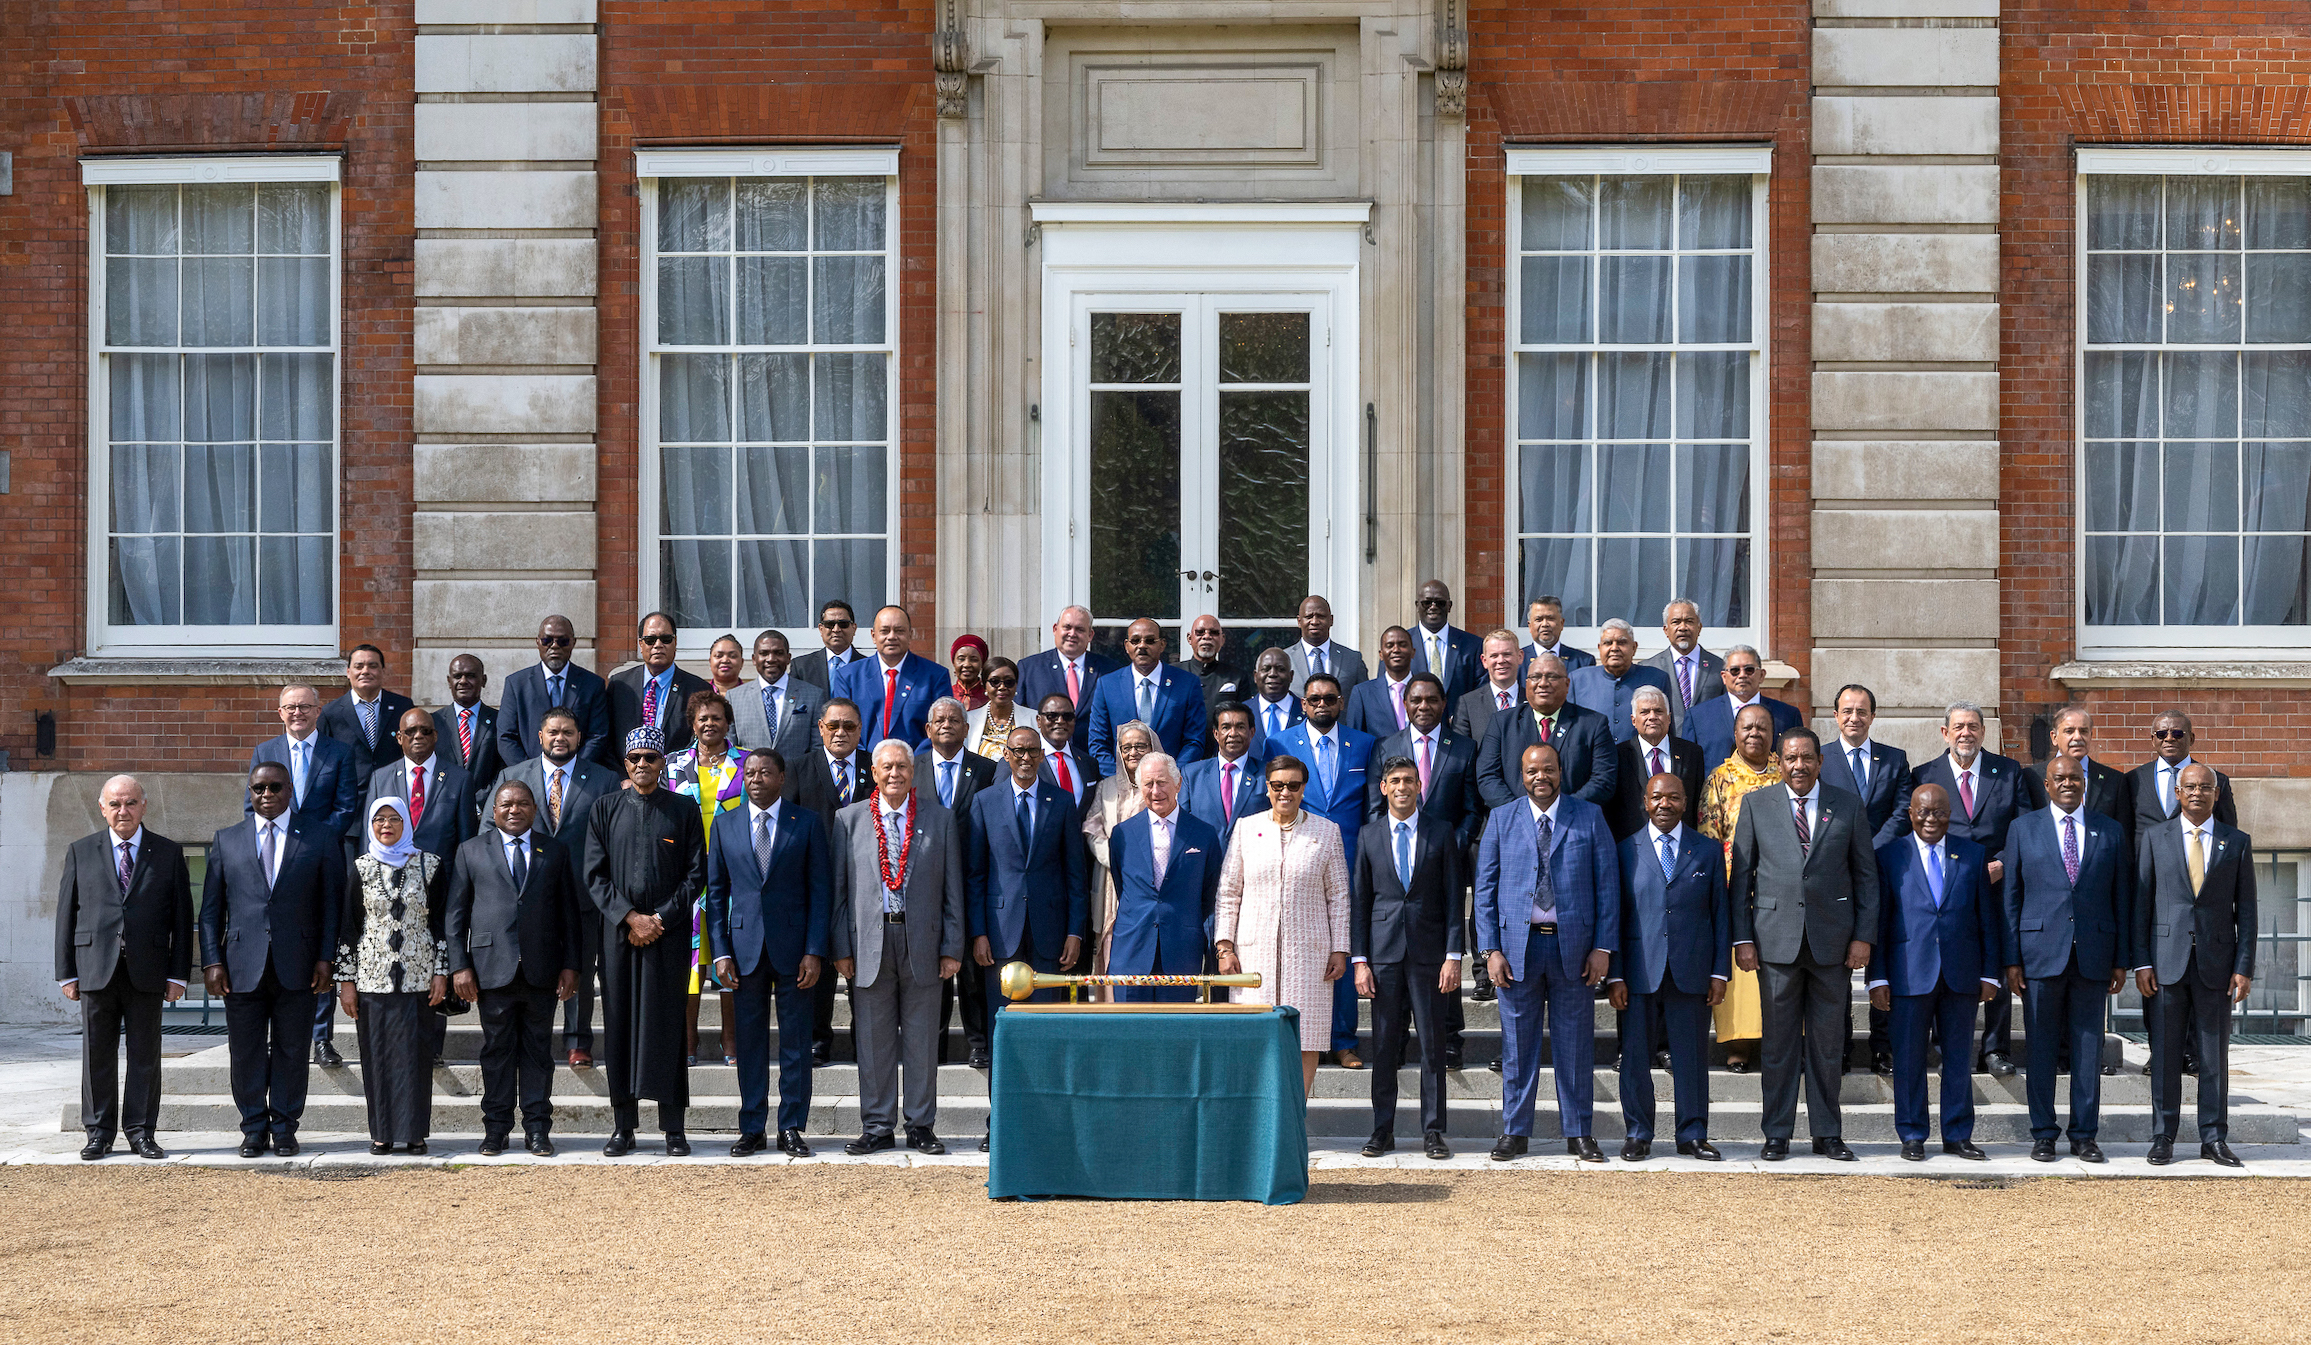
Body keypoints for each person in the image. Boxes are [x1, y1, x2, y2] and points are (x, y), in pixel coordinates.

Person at [1731, 727, 1879, 1162]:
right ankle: (1776, 1132)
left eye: (1807, 758)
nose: (1799, 766)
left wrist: (1863, 936)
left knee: (1827, 1045)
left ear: (1819, 761)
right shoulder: (1757, 805)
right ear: (1780, 761)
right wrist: (1743, 938)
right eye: (1791, 758)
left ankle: (1827, 1133)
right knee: (1777, 1046)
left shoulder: (1847, 804)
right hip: (1774, 943)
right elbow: (1742, 877)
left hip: (1832, 944)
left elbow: (1866, 877)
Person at [1475, 743, 1618, 1162]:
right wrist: (1490, 951)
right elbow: (1484, 891)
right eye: (1533, 770)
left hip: (1572, 949)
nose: (1542, 777)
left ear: (1561, 771)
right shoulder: (1502, 819)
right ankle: (1515, 1131)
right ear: (1522, 775)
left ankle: (1579, 1131)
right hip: (1517, 949)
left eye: (1549, 769)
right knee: (1518, 1045)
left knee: (1575, 1043)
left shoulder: (1589, 817)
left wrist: (1602, 948)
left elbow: (1607, 889)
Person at [201, 763, 343, 1158]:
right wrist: (212, 960)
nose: (266, 795)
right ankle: (252, 1128)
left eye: (275, 787)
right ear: (249, 792)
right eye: (258, 788)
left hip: (297, 964)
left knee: (292, 1050)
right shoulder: (226, 840)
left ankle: (284, 1128)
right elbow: (211, 911)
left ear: (289, 790)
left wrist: (326, 958)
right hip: (241, 967)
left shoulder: (318, 837)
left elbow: (331, 906)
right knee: (245, 1052)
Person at [831, 741, 966, 1155]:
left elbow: (952, 891)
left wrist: (952, 946)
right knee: (873, 1040)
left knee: (923, 1039)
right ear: (873, 772)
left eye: (903, 766)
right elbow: (838, 892)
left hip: (923, 942)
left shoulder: (939, 819)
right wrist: (841, 948)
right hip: (868, 944)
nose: (895, 773)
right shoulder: (848, 820)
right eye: (887, 766)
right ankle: (876, 1125)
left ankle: (921, 1125)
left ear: (914, 770)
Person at [583, 727, 707, 1157]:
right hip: (619, 937)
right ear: (625, 762)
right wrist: (630, 918)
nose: (641, 765)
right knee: (619, 1027)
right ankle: (624, 1126)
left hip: (668, 937)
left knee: (668, 1025)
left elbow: (696, 874)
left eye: (650, 758)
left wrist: (660, 919)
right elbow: (594, 875)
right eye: (634, 757)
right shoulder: (604, 809)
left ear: (662, 763)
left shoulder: (683, 809)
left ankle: (674, 1127)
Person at [55, 775, 192, 1161]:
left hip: (148, 971)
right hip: (95, 968)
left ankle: (141, 1132)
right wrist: (66, 972)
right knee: (97, 1054)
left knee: (145, 1054)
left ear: (144, 806)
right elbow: (66, 915)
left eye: (130, 803)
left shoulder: (166, 852)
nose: (123, 811)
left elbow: (182, 919)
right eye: (115, 804)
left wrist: (177, 974)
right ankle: (98, 1133)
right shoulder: (81, 851)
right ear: (103, 808)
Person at [445, 780, 583, 1158]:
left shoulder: (554, 851)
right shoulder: (471, 851)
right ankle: (496, 1129)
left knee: (539, 1052)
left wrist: (571, 965)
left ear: (535, 810)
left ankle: (538, 1129)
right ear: (494, 811)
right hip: (491, 970)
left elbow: (570, 915)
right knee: (497, 1051)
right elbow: (455, 916)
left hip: (542, 969)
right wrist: (460, 966)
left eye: (523, 804)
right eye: (506, 804)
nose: (514, 810)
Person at [706, 750, 833, 1159]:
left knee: (795, 1042)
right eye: (750, 772)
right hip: (742, 950)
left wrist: (815, 950)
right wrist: (720, 952)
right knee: (750, 1042)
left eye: (765, 773)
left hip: (795, 951)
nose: (756, 779)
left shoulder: (807, 822)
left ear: (782, 777)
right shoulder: (725, 825)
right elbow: (717, 893)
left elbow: (821, 893)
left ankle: (792, 1126)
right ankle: (752, 1127)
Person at [2004, 755, 2130, 1163]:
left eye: (2075, 778)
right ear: (2047, 783)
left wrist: (2121, 959)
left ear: (2085, 783)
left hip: (2094, 954)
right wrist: (2012, 959)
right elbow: (2012, 898)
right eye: (2060, 778)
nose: (2068, 784)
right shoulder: (2023, 829)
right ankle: (2043, 1132)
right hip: (2040, 955)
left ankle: (2084, 1135)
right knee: (2040, 1047)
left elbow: (2121, 898)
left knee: (2088, 1049)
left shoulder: (2109, 831)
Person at [1865, 785, 1999, 1162]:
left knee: (1958, 1059)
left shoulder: (1972, 855)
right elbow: (1881, 921)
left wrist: (1990, 973)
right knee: (1908, 1060)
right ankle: (1912, 1134)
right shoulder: (1889, 856)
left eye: (1938, 812)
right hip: (1908, 973)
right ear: (1910, 814)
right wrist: (1878, 977)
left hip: (1961, 974)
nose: (1930, 819)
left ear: (1950, 813)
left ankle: (1958, 1135)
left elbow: (1986, 919)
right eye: (1923, 812)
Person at [1913, 700, 2044, 1077]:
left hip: (1997, 884)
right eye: (1958, 727)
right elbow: (1920, 831)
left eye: (1972, 726)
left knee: (1998, 967)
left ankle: (1995, 1049)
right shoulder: (1924, 774)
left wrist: (2002, 862)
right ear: (1945, 733)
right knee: (1946, 963)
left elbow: (2024, 828)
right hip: (1947, 888)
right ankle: (1945, 1048)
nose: (1965, 733)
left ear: (1983, 732)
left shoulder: (2009, 772)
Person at [2135, 762, 2256, 1168]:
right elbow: (2142, 906)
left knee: (2212, 1057)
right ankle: (2162, 1136)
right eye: (2190, 787)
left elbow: (2249, 912)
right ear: (2177, 793)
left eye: (2206, 787)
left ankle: (2213, 1138)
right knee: (2166, 1055)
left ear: (2216, 794)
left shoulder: (2236, 842)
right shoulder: (2155, 838)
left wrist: (2244, 967)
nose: (2198, 793)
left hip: (2217, 965)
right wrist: (2141, 962)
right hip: (2165, 963)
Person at [1608, 773, 1729, 1161]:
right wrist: (1615, 974)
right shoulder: (1625, 850)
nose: (1664, 804)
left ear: (1685, 801)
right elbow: (1617, 916)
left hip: (1691, 970)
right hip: (1639, 972)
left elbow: (1720, 917)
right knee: (1636, 1057)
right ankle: (1638, 1133)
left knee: (1691, 1057)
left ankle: (1692, 1133)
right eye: (1657, 798)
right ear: (1645, 802)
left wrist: (1719, 972)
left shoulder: (1708, 852)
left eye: (1673, 798)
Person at [1215, 754, 1351, 1098]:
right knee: (1254, 1033)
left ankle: (1296, 1117)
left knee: (1307, 1034)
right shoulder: (1247, 828)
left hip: (1310, 953)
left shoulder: (1327, 831)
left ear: (1304, 788)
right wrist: (1224, 945)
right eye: (1278, 785)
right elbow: (1229, 890)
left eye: (1293, 785)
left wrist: (1340, 947)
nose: (1285, 792)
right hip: (1252, 952)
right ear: (1267, 788)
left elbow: (1338, 895)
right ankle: (1257, 1115)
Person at [1367, 673, 1482, 1070]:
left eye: (1431, 700)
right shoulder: (1386, 747)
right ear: (1406, 704)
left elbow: (1472, 807)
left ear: (1443, 703)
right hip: (1397, 864)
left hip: (1443, 862)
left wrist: (1451, 843)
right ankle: (1396, 1040)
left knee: (1441, 951)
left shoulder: (1464, 748)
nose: (1423, 707)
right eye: (1415, 700)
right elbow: (1374, 805)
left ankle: (1449, 1040)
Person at [492, 705, 616, 1068]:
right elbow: (490, 832)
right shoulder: (513, 775)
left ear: (579, 738)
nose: (560, 738)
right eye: (553, 732)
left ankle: (578, 1041)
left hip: (585, 893)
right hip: (530, 893)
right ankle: (536, 1037)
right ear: (541, 737)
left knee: (580, 965)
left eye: (568, 733)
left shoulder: (604, 780)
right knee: (534, 965)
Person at [1353, 755, 1464, 1160]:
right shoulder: (1368, 835)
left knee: (1433, 1047)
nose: (1402, 787)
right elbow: (1360, 901)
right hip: (1382, 956)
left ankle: (1433, 1131)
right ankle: (1382, 1129)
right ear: (1383, 787)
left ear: (1420, 787)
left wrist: (1454, 956)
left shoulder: (1441, 832)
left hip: (1429, 955)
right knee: (1383, 1046)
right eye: (1395, 780)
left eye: (1409, 781)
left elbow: (1454, 899)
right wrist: (1359, 960)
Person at [1269, 673, 1376, 1067]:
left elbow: (1368, 805)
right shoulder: (1279, 743)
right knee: (1305, 956)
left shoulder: (1363, 745)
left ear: (1341, 702)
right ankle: (1298, 1038)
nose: (1322, 705)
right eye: (1314, 698)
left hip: (1350, 860)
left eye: (1329, 698)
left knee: (1342, 950)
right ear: (1302, 703)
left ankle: (1344, 1040)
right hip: (1299, 860)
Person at [334, 797, 449, 1155]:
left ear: (407, 823)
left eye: (394, 819)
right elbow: (348, 928)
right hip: (373, 980)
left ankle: (415, 1133)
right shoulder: (361, 867)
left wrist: (441, 972)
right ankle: (382, 1132)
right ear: (370, 825)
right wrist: (346, 983)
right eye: (379, 819)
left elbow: (442, 923)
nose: (386, 826)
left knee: (416, 1057)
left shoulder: (430, 865)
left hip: (418, 978)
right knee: (378, 1057)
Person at [1817, 682, 1914, 1077]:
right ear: (1835, 715)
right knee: (1836, 964)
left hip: (1883, 872)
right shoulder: (1819, 757)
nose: (1854, 718)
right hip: (1833, 876)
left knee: (1883, 961)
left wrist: (1870, 849)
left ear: (1873, 716)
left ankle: (1882, 1048)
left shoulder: (1894, 759)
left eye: (1862, 711)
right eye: (1847, 711)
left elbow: (1903, 808)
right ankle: (1838, 1047)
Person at [967, 725, 1088, 1031]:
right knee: (1003, 1021)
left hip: (1050, 931)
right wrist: (978, 932)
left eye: (1033, 750)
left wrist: (1075, 932)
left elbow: (1075, 874)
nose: (1026, 757)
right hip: (999, 931)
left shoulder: (1061, 802)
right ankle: (1003, 1082)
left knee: (1046, 1023)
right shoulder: (985, 801)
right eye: (1018, 750)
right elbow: (976, 874)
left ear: (1042, 755)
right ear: (1006, 755)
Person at [1698, 703, 1782, 1073]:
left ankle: (1778, 1039)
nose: (1754, 734)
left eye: (1762, 728)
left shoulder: (1788, 772)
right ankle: (1738, 1043)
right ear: (1735, 734)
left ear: (1773, 733)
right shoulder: (1720, 778)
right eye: (1747, 728)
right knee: (1740, 973)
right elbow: (1708, 835)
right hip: (1735, 887)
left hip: (1782, 887)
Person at [790, 697, 874, 1066]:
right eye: (834, 726)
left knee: (866, 964)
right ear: (820, 728)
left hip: (868, 882)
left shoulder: (876, 767)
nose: (841, 732)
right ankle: (817, 1039)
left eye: (850, 726)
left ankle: (866, 1041)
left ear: (860, 730)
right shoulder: (797, 768)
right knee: (818, 961)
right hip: (814, 882)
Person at [666, 691, 746, 1068]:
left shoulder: (748, 764)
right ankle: (688, 1038)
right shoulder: (671, 766)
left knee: (731, 955)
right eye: (702, 718)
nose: (709, 723)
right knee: (690, 958)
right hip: (687, 874)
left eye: (716, 717)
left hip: (735, 874)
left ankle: (731, 1039)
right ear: (692, 724)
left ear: (728, 722)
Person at [1107, 752, 1224, 1005]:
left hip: (1181, 950)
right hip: (1131, 950)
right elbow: (1123, 886)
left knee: (1175, 1033)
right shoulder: (1122, 834)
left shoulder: (1203, 834)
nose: (1156, 790)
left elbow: (1208, 892)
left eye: (1162, 782)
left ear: (1178, 783)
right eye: (1148, 784)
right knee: (1128, 1033)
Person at [921, 696, 998, 1067]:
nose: (947, 724)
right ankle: (931, 1047)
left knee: (971, 970)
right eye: (939, 720)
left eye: (955, 719)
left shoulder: (987, 769)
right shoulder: (912, 768)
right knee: (930, 972)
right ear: (928, 729)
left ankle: (978, 1043)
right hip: (923, 884)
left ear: (967, 729)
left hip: (971, 880)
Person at [1474, 653, 1616, 810]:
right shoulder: (1502, 723)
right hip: (1516, 824)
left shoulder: (1593, 724)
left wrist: (1562, 811)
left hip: (1574, 823)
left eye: (1552, 677)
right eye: (1535, 677)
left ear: (1567, 684)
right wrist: (1521, 813)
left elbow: (1603, 780)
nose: (1543, 683)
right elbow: (1488, 777)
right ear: (1526, 683)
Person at [1081, 721, 1154, 979]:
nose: (1132, 752)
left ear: (1152, 748)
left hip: (1149, 880)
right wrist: (1113, 857)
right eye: (1126, 747)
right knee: (1110, 947)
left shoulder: (1160, 785)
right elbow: (1092, 827)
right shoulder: (1107, 786)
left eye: (1139, 746)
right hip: (1111, 880)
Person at [1088, 618, 1208, 773]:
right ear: (1127, 646)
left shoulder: (1187, 684)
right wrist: (1119, 781)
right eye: (1135, 640)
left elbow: (1194, 741)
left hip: (1170, 787)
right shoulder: (1107, 685)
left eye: (1150, 640)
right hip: (1121, 789)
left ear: (1162, 645)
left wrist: (1171, 778)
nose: (1142, 646)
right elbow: (1098, 743)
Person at [320, 644, 418, 833]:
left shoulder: (403, 707)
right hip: (348, 814)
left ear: (382, 671)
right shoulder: (331, 714)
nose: (365, 671)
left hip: (394, 810)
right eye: (359, 666)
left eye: (372, 666)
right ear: (348, 672)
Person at [834, 604, 955, 753]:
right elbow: (841, 726)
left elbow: (942, 728)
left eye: (899, 631)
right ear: (873, 636)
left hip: (915, 768)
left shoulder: (935, 676)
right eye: (885, 631)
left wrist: (912, 762)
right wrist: (865, 762)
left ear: (910, 634)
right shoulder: (848, 676)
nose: (891, 636)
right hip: (863, 768)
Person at [497, 614, 612, 767]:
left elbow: (598, 735)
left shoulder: (592, 684)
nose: (555, 646)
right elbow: (506, 737)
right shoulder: (517, 684)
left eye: (563, 641)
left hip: (578, 779)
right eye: (547, 640)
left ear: (573, 643)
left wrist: (573, 770)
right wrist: (530, 773)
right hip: (529, 781)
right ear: (537, 642)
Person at [249, 683, 358, 842]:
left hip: (324, 848)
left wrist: (315, 839)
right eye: (290, 707)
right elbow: (252, 805)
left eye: (304, 707)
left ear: (317, 711)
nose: (297, 713)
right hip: (277, 845)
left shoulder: (340, 753)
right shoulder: (264, 752)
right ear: (281, 713)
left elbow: (345, 808)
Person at [373, 707, 478, 862]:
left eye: (425, 731)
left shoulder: (460, 779)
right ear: (399, 737)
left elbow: (466, 841)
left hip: (441, 878)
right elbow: (371, 834)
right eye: (410, 731)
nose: (418, 736)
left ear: (435, 736)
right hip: (392, 875)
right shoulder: (380, 778)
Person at [1604, 686, 1703, 843]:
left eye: (1658, 711)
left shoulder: (1692, 753)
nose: (1652, 717)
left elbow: (1696, 801)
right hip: (1633, 848)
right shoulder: (1618, 755)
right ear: (1633, 720)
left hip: (1684, 846)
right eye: (1645, 712)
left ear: (1669, 718)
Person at [1015, 605, 1122, 750]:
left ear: (1090, 635)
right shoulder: (1029, 668)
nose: (1072, 634)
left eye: (1080, 629)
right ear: (1055, 629)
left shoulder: (1110, 670)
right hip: (1043, 762)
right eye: (1067, 627)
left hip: (1093, 763)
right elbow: (1019, 717)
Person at [1683, 646, 1802, 774]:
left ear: (1762, 675)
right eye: (1735, 671)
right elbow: (1688, 769)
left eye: (1749, 670)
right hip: (1716, 792)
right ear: (1724, 677)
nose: (1742, 675)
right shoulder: (1698, 716)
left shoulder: (1788, 715)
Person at [610, 612, 713, 757]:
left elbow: (700, 743)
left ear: (675, 643)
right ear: (640, 644)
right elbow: (607, 741)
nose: (658, 645)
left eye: (666, 639)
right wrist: (622, 778)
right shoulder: (619, 685)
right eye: (650, 640)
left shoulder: (697, 689)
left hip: (677, 776)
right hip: (627, 776)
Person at [2128, 709, 2238, 836]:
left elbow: (2229, 833)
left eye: (2177, 734)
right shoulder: (2133, 779)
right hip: (2146, 855)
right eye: (2161, 734)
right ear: (2153, 740)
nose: (2169, 738)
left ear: (2191, 738)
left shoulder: (2217, 780)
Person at [1568, 619, 1673, 744]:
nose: (1614, 648)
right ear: (1599, 648)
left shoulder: (1656, 678)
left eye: (1622, 642)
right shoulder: (1578, 680)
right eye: (1608, 643)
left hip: (1638, 761)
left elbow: (1667, 728)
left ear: (1634, 648)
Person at [729, 628, 827, 761]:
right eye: (764, 653)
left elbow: (818, 748)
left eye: (778, 653)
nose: (771, 659)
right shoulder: (734, 698)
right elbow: (730, 748)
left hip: (797, 778)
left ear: (788, 658)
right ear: (754, 659)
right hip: (751, 779)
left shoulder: (813, 696)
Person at [1182, 702, 1265, 854]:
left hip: (1252, 863)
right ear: (1215, 733)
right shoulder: (1191, 774)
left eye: (1240, 727)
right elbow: (1183, 824)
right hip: (1205, 866)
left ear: (1252, 732)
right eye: (1226, 727)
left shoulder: (1266, 775)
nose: (1233, 734)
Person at [2050, 706, 2132, 850]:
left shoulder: (2114, 780)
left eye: (2083, 731)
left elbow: (2123, 838)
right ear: (2054, 737)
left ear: (2091, 736)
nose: (2077, 737)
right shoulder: (2033, 777)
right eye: (2069, 731)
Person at [434, 653, 501, 824]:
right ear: (449, 681)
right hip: (441, 814)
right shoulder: (433, 722)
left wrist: (478, 802)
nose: (463, 681)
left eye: (471, 675)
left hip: (485, 816)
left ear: (483, 680)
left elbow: (505, 769)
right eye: (457, 676)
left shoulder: (500, 721)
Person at [1641, 598, 1723, 734]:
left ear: (1699, 628)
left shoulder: (1719, 667)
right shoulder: (1648, 668)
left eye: (1689, 621)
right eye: (1676, 622)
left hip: (1707, 748)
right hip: (1666, 748)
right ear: (1666, 630)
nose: (1683, 627)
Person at [1410, 579, 1485, 704]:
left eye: (1440, 603)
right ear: (1417, 605)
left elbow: (1481, 691)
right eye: (1426, 603)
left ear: (1449, 606)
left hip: (1460, 722)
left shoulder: (1473, 646)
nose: (1433, 607)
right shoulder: (1400, 645)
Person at [1452, 628, 1527, 747]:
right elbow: (1462, 751)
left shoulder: (1533, 701)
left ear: (1520, 656)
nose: (1501, 661)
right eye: (1494, 656)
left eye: (1507, 654)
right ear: (1484, 661)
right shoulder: (1468, 704)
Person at [1175, 613, 1246, 734]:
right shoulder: (1174, 673)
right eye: (1200, 632)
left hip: (1222, 748)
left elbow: (1243, 719)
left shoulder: (1236, 676)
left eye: (1213, 633)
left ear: (1222, 639)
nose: (1207, 637)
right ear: (1189, 638)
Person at [1343, 626, 1417, 740]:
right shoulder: (1362, 693)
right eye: (1389, 646)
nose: (1396, 649)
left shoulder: (1427, 690)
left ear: (1413, 652)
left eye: (1402, 645)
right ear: (1381, 654)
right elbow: (1354, 739)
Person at [1287, 594, 1368, 696]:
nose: (1314, 621)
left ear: (1331, 620)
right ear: (1299, 621)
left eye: (1320, 616)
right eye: (1309, 617)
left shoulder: (1352, 659)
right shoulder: (1285, 659)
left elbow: (1365, 700)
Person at [1035, 693, 1101, 816]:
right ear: (1039, 721)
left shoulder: (1089, 763)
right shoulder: (1023, 760)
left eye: (1067, 716)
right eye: (1052, 716)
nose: (1060, 721)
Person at [789, 598, 866, 691]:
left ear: (854, 628)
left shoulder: (868, 667)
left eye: (843, 624)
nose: (836, 629)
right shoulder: (801, 667)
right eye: (830, 624)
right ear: (821, 629)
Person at [1244, 646, 1302, 760]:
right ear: (1255, 676)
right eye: (1266, 669)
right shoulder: (1241, 712)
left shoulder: (1307, 711)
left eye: (1280, 669)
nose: (1272, 674)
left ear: (1291, 676)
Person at [1519, 595, 1595, 675]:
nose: (1545, 624)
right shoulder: (1517, 661)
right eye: (1539, 619)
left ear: (1562, 623)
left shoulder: (1583, 662)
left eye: (1550, 618)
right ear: (1530, 626)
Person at [966, 657, 1023, 760]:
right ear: (984, 685)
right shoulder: (968, 720)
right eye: (995, 681)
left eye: (1009, 682)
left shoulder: (1034, 718)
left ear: (1016, 684)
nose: (1002, 687)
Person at [949, 634, 991, 711]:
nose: (967, 664)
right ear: (954, 663)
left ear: (982, 664)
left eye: (974, 660)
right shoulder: (946, 694)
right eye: (961, 659)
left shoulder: (990, 697)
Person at [705, 633, 750, 698]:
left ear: (742, 662)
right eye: (719, 656)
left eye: (732, 656)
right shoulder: (699, 693)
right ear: (710, 661)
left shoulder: (753, 695)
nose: (725, 660)